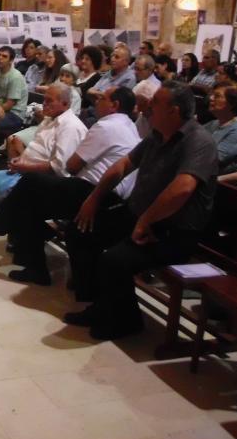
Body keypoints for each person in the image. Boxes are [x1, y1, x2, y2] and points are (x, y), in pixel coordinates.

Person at [63, 81, 218, 340]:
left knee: (114, 260)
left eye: (155, 103)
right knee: (80, 230)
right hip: (140, 217)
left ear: (174, 111)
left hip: (173, 230)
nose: (147, 107)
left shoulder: (199, 142)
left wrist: (145, 220)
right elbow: (122, 165)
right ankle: (100, 304)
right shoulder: (157, 136)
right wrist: (94, 198)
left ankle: (126, 321)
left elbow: (183, 188)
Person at [0, 86, 140, 286]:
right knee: (28, 198)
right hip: (104, 192)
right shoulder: (129, 126)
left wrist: (28, 168)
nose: (96, 102)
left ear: (114, 105)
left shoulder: (105, 126)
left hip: (97, 193)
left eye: (101, 98)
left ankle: (2, 224)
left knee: (31, 184)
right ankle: (32, 263)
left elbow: (72, 166)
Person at [203, 82, 237, 173]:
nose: (211, 98)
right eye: (212, 94)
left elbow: (210, 160)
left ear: (232, 103)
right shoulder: (214, 123)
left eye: (217, 96)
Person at [0, 45, 28, 136]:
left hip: (15, 115)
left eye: (4, 56)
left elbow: (9, 105)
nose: (0, 58)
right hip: (1, 110)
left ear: (11, 60)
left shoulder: (15, 77)